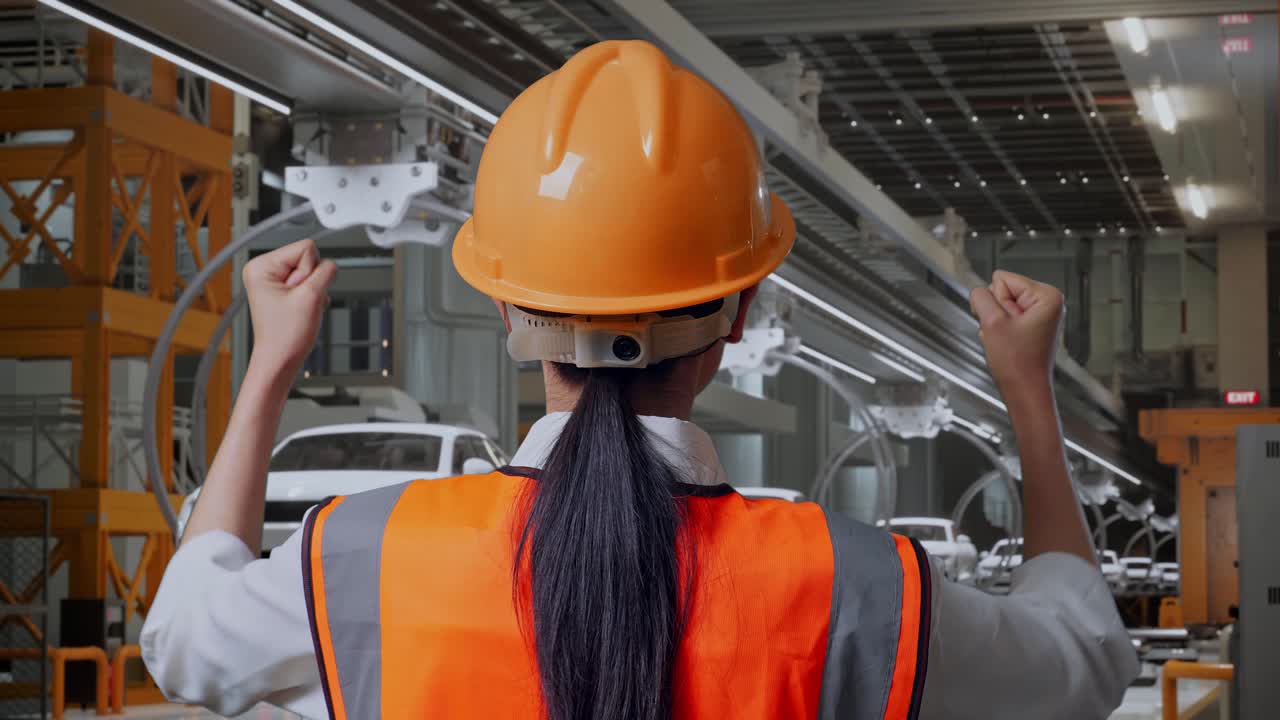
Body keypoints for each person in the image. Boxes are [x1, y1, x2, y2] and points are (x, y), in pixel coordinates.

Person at [141, 40, 1136, 720]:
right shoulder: (851, 584)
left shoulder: (363, 555)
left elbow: (183, 635)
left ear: (507, 312)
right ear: (739, 315)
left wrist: (269, 366)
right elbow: (1082, 664)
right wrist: (1025, 397)